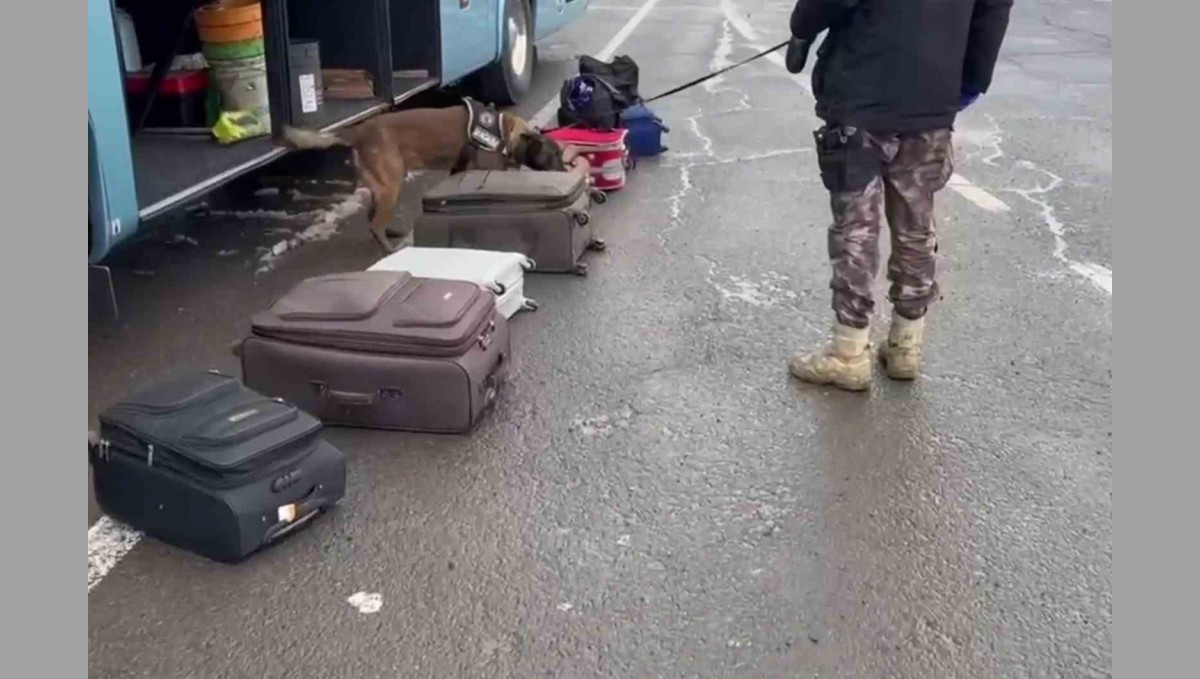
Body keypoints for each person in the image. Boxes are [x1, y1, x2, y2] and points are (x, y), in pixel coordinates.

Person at [784, 0, 1013, 391]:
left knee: (856, 228)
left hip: (862, 88)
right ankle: (906, 346)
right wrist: (970, 80)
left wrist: (802, 28)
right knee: (916, 223)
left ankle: (848, 353)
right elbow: (991, 13)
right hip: (933, 95)